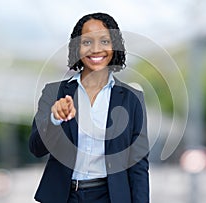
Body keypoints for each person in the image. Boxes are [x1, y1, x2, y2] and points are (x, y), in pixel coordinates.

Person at [29, 12, 149, 203]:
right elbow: (36, 148)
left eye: (104, 41)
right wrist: (55, 119)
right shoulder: (54, 92)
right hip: (63, 196)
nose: (95, 49)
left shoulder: (132, 99)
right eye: (86, 42)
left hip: (110, 197)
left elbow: (138, 164)